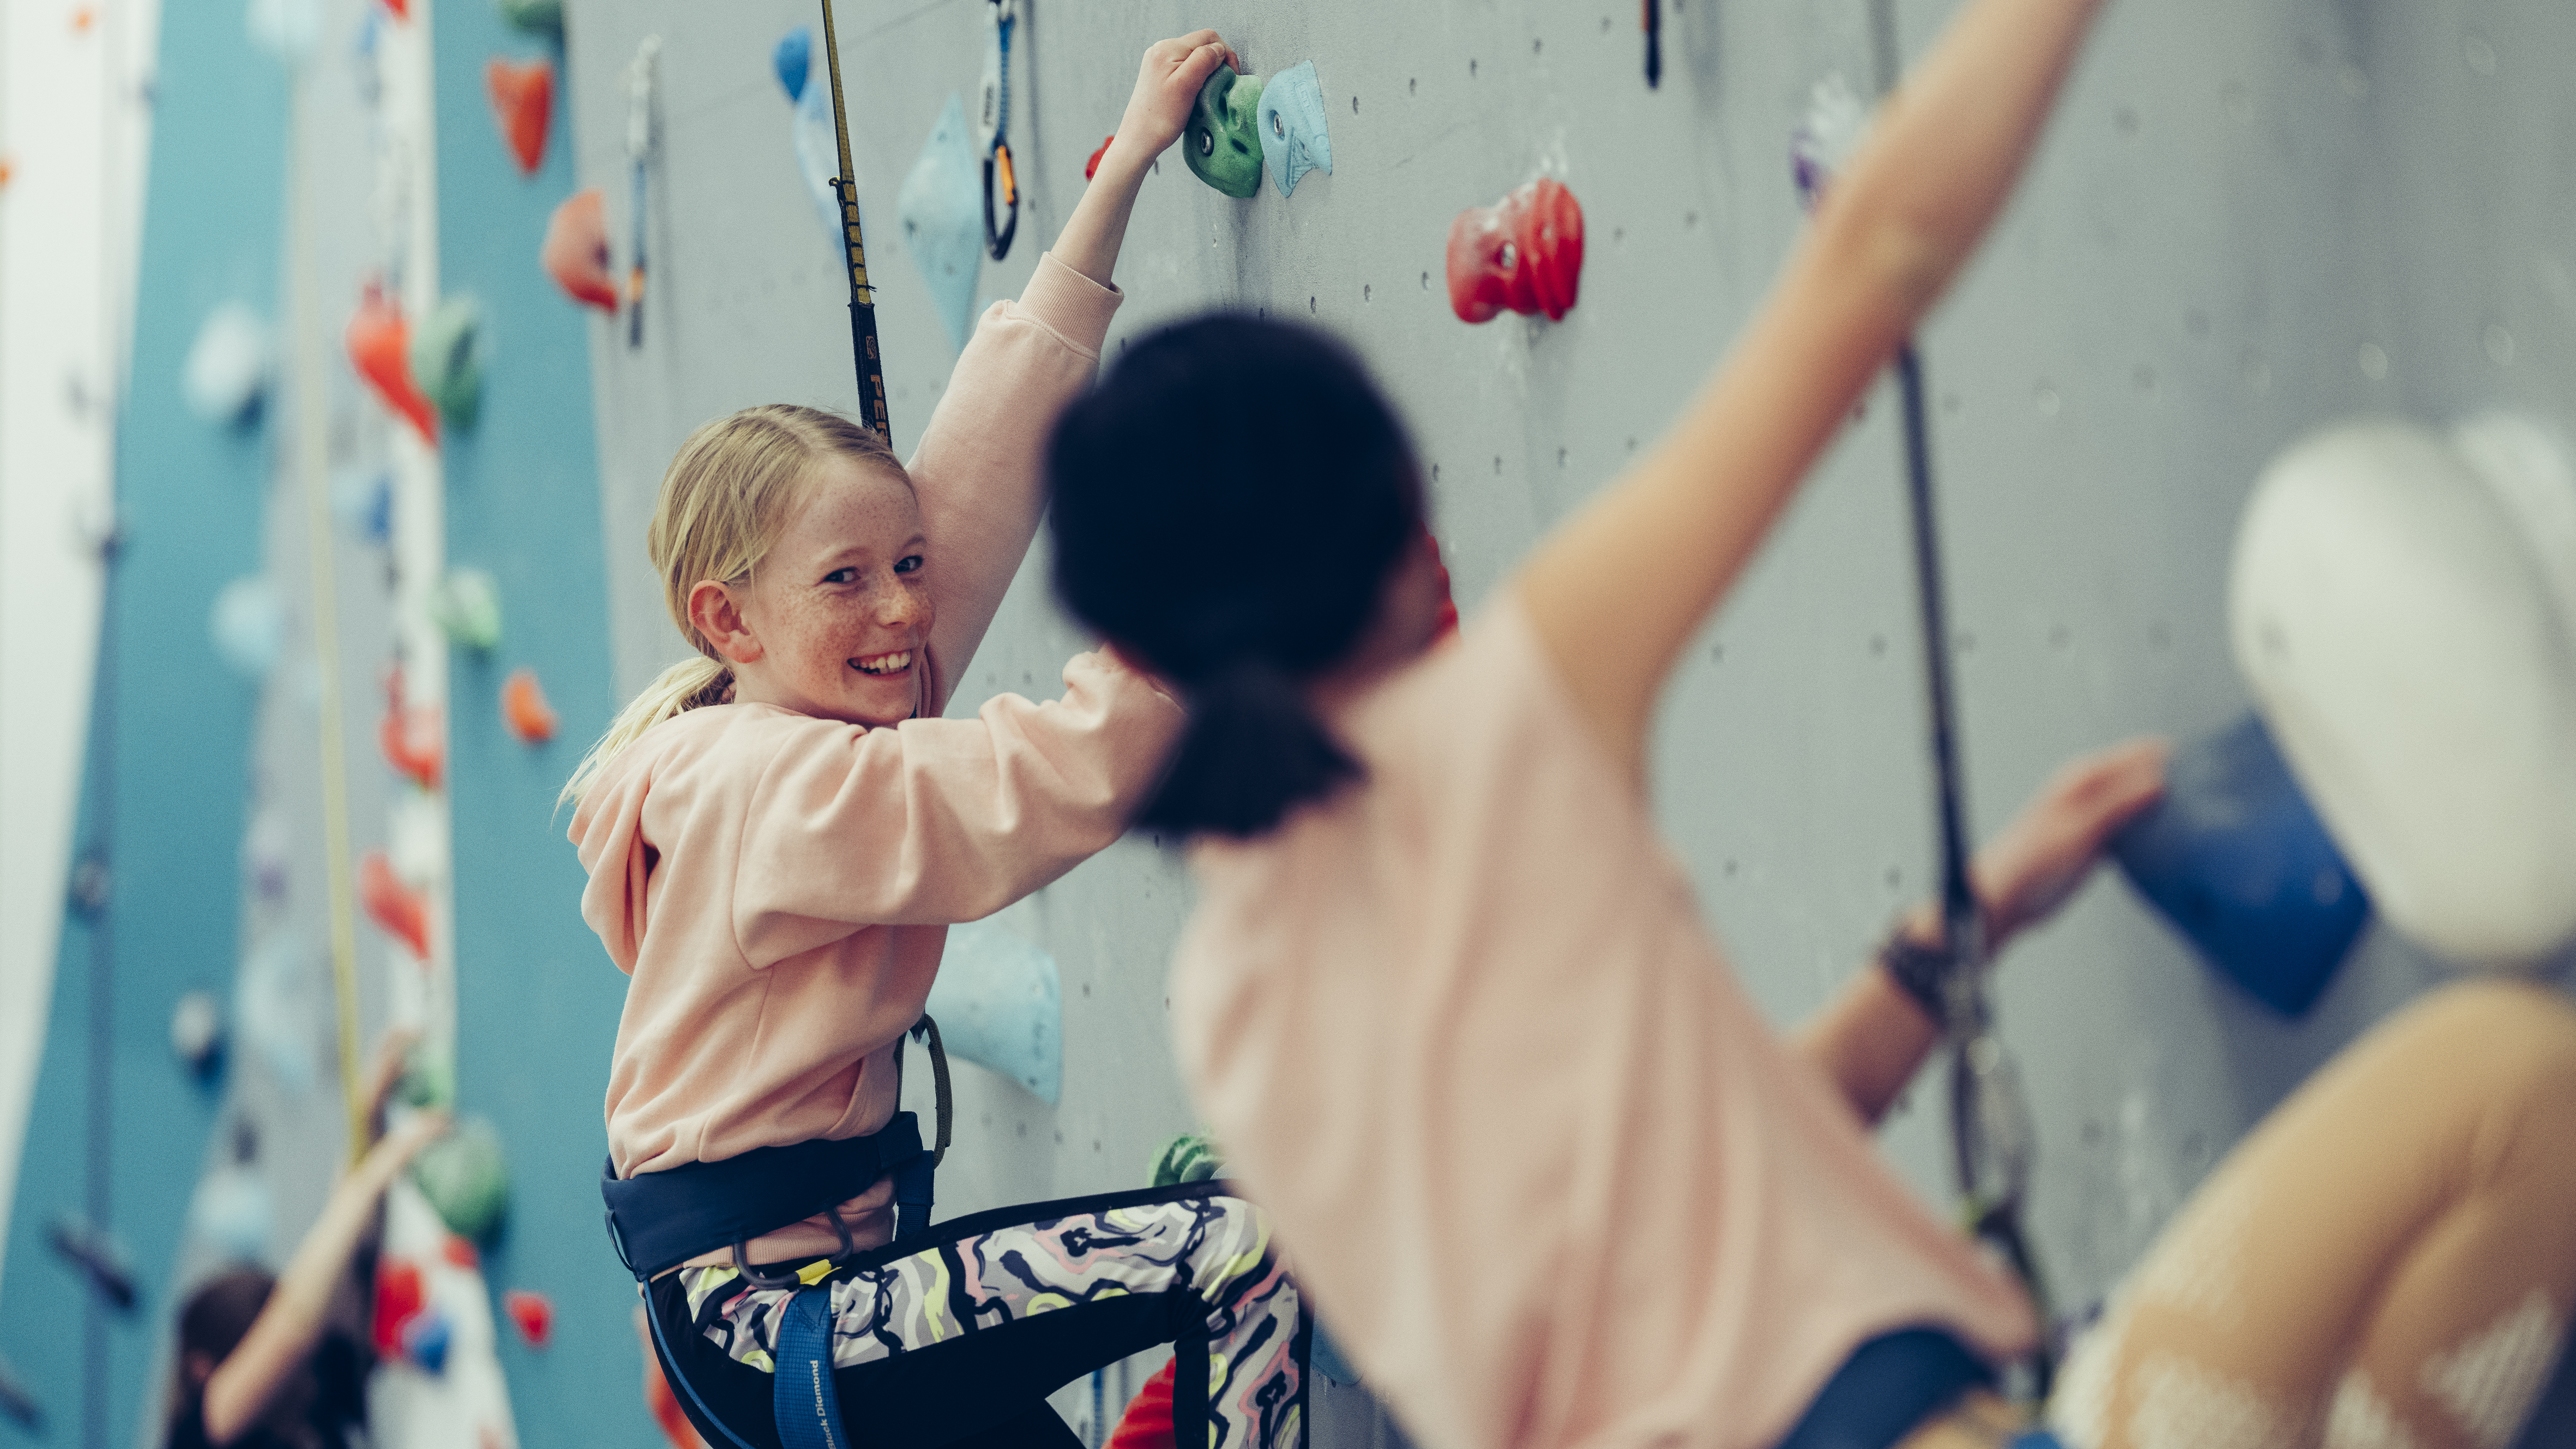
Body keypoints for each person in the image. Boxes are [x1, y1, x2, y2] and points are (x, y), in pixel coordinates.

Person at [1041, 0, 2576, 1446]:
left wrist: (1951, 935)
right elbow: (1877, 252)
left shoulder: (1235, 1001)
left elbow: (1707, 1205)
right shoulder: (1490, 729)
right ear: (1385, 501)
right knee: (2517, 1089)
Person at [567, 32, 1309, 1449]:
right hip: (778, 1314)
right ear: (729, 617)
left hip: (794, 1303)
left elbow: (971, 475)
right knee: (1243, 1249)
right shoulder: (768, 786)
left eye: (902, 567)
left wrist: (1127, 165)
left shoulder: (794, 704)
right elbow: (1015, 790)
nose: (906, 609)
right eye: (849, 581)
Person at [166, 1036, 446, 1449]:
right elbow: (294, 1323)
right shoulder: (198, 1438)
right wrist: (369, 1180)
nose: (296, 1369)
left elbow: (344, 1263)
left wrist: (366, 1118)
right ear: (204, 1369)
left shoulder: (314, 1383)